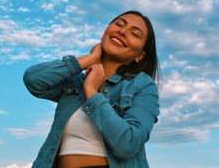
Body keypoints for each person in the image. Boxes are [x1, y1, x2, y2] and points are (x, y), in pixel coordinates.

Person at [23, 10, 161, 168]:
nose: (122, 31)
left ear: (140, 56)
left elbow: (128, 144)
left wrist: (92, 92)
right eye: (119, 24)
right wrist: (89, 60)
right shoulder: (75, 83)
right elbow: (33, 80)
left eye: (135, 34)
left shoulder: (142, 85)